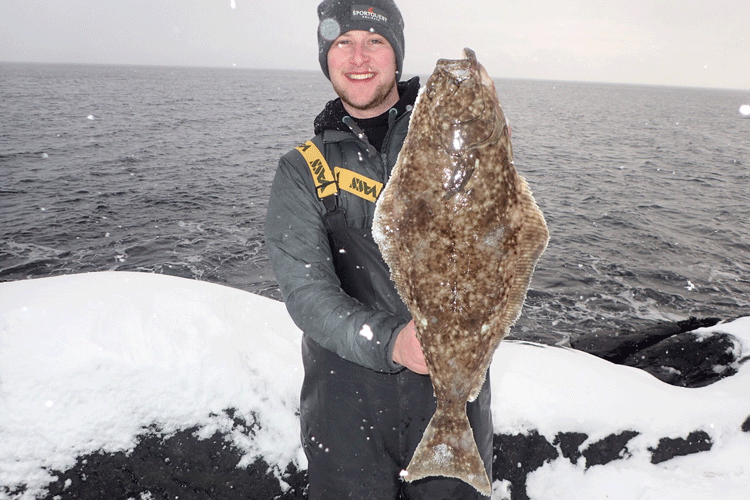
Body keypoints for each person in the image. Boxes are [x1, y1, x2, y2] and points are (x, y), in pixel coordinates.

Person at [264, 1, 493, 498]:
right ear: (326, 57)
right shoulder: (302, 170)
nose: (358, 56)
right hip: (345, 417)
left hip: (451, 398)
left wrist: (489, 164)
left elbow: (495, 249)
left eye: (375, 41)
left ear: (397, 54)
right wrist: (393, 342)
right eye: (343, 42)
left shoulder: (456, 145)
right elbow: (307, 294)